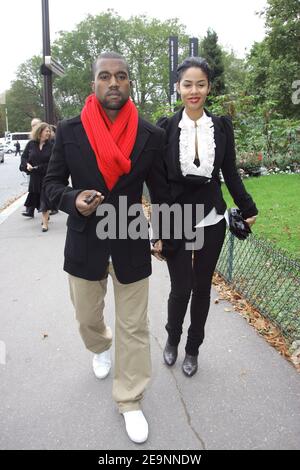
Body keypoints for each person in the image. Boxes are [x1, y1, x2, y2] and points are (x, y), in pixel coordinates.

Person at [44, 52, 171, 444]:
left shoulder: (151, 135)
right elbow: (49, 186)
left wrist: (162, 231)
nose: (113, 82)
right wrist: (72, 198)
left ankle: (130, 399)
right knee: (86, 316)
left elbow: (162, 191)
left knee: (134, 327)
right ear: (93, 85)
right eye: (105, 76)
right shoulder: (69, 131)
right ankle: (99, 345)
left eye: (121, 76)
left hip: (131, 237)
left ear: (129, 83)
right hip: (85, 239)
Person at [156, 57, 258, 377]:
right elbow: (158, 184)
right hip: (175, 217)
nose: (194, 90)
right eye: (188, 84)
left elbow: (230, 172)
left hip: (211, 219)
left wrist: (249, 207)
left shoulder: (221, 126)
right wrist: (157, 230)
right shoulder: (167, 127)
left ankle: (192, 348)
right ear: (178, 87)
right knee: (180, 287)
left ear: (209, 87)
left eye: (200, 84)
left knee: (202, 288)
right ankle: (172, 338)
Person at [19, 122, 53, 231]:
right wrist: (27, 165)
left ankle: (44, 222)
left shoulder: (52, 145)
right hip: (34, 177)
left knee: (45, 198)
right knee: (37, 197)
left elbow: (54, 162)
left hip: (46, 176)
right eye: (46, 131)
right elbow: (24, 158)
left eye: (49, 131)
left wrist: (40, 167)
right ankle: (42, 215)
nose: (48, 133)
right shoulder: (31, 144)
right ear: (40, 131)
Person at [21, 118, 42, 217]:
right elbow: (24, 156)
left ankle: (47, 210)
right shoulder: (31, 142)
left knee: (44, 192)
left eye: (35, 125)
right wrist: (26, 164)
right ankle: (30, 210)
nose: (33, 127)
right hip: (33, 171)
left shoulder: (48, 140)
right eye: (32, 126)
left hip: (44, 171)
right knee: (33, 191)